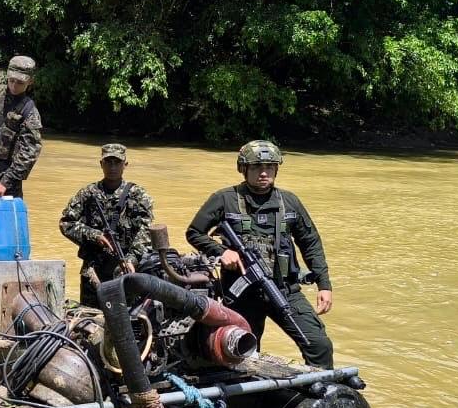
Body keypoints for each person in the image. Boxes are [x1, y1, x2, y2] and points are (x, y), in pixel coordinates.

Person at [185, 140, 335, 368]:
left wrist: (324, 284)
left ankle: (322, 386)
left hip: (284, 290)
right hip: (242, 294)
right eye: (256, 167)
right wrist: (222, 252)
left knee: (319, 344)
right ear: (243, 169)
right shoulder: (225, 198)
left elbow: (310, 243)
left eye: (269, 167)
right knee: (239, 350)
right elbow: (194, 232)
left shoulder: (290, 202)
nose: (264, 173)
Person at [59, 143, 154, 306]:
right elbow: (66, 223)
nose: (112, 167)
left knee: (125, 315)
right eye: (108, 162)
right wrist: (95, 235)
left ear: (125, 164)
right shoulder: (88, 193)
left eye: (117, 162)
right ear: (101, 164)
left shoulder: (138, 195)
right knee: (89, 316)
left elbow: (145, 230)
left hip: (125, 268)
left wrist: (131, 259)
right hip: (93, 270)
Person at [0, 54, 42, 199]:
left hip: (5, 183)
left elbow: (30, 153)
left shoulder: (29, 112)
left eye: (20, 82)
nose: (14, 85)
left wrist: (5, 182)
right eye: (11, 80)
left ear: (30, 81)